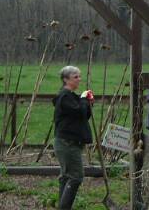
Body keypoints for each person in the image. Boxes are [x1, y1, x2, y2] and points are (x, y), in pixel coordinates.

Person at [52, 66, 93, 210]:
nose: (79, 79)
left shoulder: (70, 96)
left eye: (79, 76)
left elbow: (83, 116)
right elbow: (78, 111)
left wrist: (88, 102)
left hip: (70, 142)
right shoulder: (64, 97)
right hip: (67, 143)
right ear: (66, 79)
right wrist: (83, 99)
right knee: (76, 176)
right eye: (75, 77)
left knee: (66, 176)